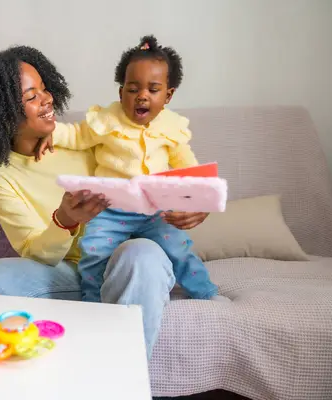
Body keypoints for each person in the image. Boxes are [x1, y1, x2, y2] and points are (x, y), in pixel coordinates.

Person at [0, 45, 180, 359]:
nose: (47, 99)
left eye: (45, 89)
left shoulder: (85, 138)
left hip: (124, 260)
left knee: (141, 254)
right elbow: (33, 252)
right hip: (71, 272)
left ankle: (120, 384)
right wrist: (64, 220)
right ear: (0, 114)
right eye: (32, 96)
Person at [36, 35, 228, 304]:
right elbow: (77, 135)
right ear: (120, 91)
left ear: (168, 95)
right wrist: (50, 133)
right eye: (133, 89)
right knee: (94, 252)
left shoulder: (171, 127)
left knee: (179, 248)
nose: (142, 97)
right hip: (108, 209)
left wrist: (201, 198)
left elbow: (189, 168)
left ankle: (206, 292)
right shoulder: (107, 119)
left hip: (154, 209)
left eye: (153, 89)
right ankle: (92, 302)